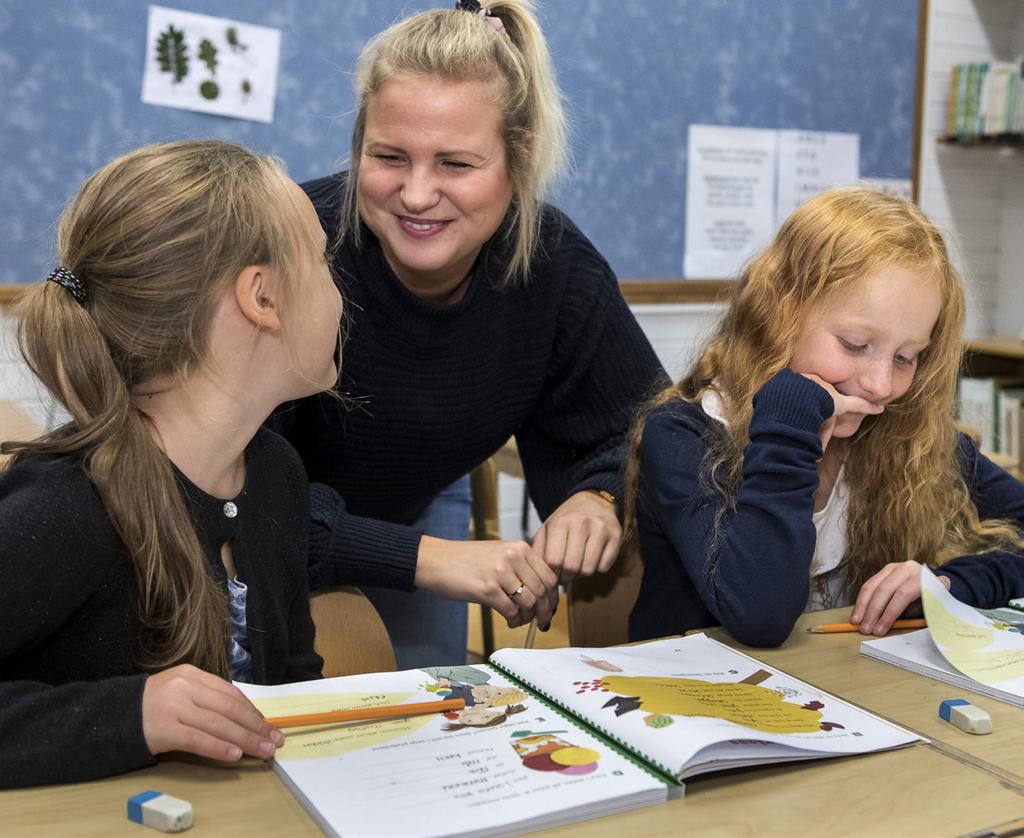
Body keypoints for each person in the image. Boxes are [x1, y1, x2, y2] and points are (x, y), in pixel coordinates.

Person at [276, 0, 666, 667]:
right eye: (389, 157)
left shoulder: (554, 266)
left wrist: (597, 498)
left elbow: (645, 428)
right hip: (262, 529)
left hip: (419, 495)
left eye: (455, 164)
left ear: (520, 164)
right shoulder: (289, 248)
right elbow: (237, 497)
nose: (418, 194)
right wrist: (429, 560)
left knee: (424, 718)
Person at [0, 140, 342, 788]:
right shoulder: (68, 508)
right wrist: (133, 715)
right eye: (323, 260)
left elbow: (291, 691)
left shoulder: (275, 474)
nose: (338, 290)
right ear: (261, 297)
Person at [625, 187, 1024, 648]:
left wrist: (948, 585)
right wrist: (789, 419)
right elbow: (760, 615)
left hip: (840, 697)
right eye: (855, 345)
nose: (878, 384)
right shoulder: (681, 435)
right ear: (780, 316)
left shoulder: (905, 433)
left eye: (906, 357)